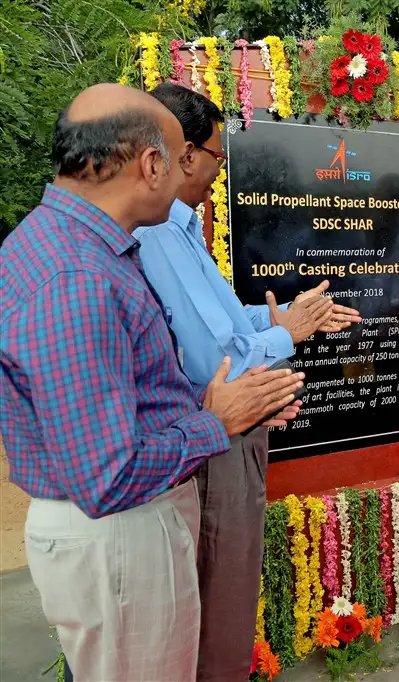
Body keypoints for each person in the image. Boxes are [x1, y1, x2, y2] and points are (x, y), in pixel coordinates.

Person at [0, 84, 304, 682]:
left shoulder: (86, 249)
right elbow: (107, 475)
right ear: (153, 163)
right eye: (183, 155)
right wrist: (216, 422)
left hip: (127, 529)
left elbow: (132, 392)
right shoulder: (74, 277)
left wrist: (231, 405)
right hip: (120, 533)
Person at [135, 83, 362, 681]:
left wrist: (278, 317)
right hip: (214, 437)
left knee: (225, 596)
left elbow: (224, 320)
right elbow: (212, 358)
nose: (221, 171)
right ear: (184, 155)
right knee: (218, 602)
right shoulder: (155, 232)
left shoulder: (180, 226)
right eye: (217, 156)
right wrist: (289, 336)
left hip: (233, 430)